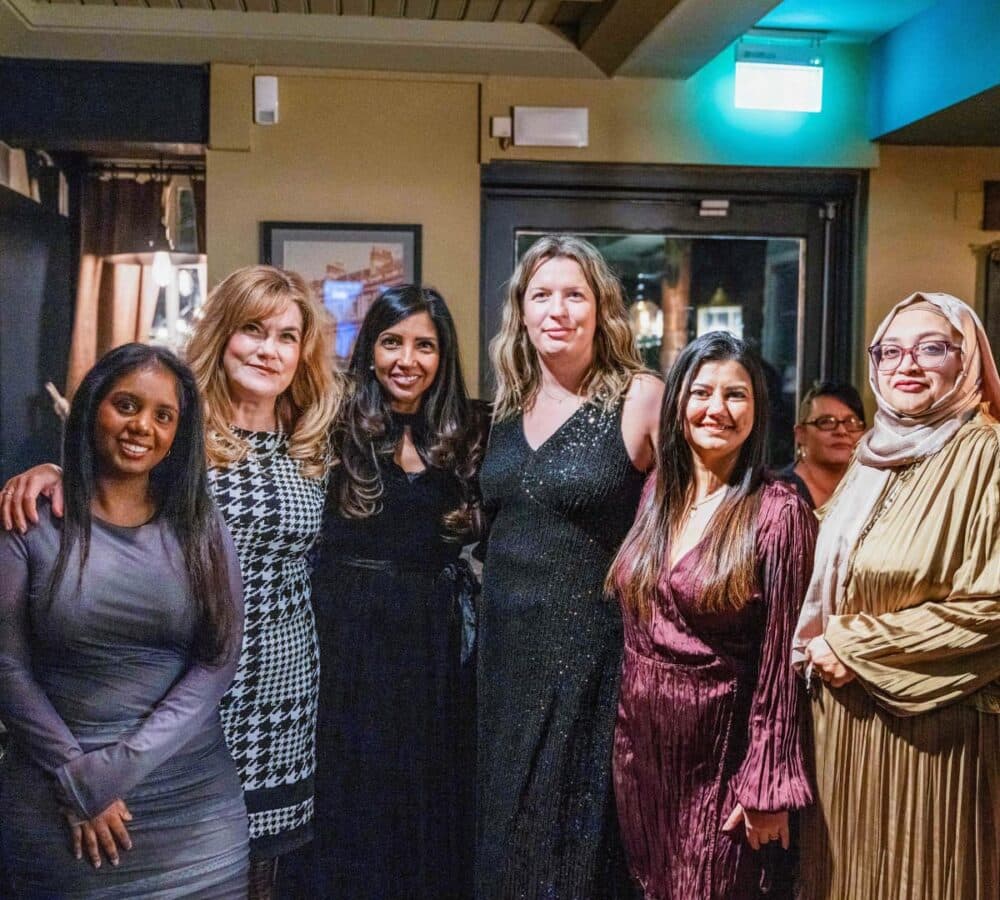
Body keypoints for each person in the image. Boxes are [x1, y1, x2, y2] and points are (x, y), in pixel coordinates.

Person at [1, 265, 342, 899]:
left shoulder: (315, 441)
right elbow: (100, 472)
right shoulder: (176, 426)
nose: (269, 350)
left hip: (280, 688)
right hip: (167, 691)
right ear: (222, 333)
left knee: (255, 869)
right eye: (252, 330)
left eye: (288, 337)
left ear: (305, 352)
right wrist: (45, 469)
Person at [0, 343, 247, 897]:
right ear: (92, 408)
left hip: (194, 816)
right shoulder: (30, 518)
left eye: (164, 416)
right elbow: (7, 668)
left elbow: (218, 661)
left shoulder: (201, 527)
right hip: (55, 805)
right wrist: (74, 777)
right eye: (127, 405)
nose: (143, 427)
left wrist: (109, 774)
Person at [793, 292, 1000, 900]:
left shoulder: (987, 454)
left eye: (932, 348)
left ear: (967, 359)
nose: (907, 364)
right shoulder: (872, 455)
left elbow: (992, 606)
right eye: (890, 351)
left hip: (934, 734)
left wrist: (854, 646)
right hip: (841, 731)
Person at [477, 234, 663, 898]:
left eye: (574, 294)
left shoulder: (641, 397)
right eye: (542, 294)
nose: (558, 310)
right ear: (521, 311)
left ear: (601, 308)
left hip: (587, 654)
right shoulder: (504, 403)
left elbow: (685, 520)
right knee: (505, 828)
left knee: (571, 837)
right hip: (502, 655)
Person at [290, 285, 485, 899]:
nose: (408, 359)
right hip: (347, 637)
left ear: (443, 355)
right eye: (392, 342)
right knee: (351, 796)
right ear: (369, 349)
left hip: (434, 645)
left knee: (427, 798)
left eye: (425, 345)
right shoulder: (330, 419)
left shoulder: (473, 432)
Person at [608, 332, 816, 899]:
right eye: (702, 392)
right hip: (642, 756)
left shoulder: (778, 512)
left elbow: (782, 663)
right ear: (678, 402)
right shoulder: (656, 493)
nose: (716, 410)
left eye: (736, 395)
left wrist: (766, 785)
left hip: (722, 764)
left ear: (758, 410)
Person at [777, 382, 866, 508]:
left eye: (851, 422)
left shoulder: (871, 490)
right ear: (801, 434)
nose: (841, 431)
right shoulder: (777, 494)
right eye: (826, 422)